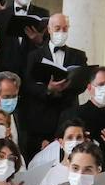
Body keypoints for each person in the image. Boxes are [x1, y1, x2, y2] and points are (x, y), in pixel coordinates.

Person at [22, 12, 88, 141]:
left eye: (65, 28)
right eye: (57, 28)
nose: (61, 32)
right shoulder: (34, 56)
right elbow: (28, 85)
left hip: (68, 115)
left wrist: (65, 87)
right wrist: (48, 89)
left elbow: (83, 84)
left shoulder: (78, 56)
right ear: (49, 29)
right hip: (42, 118)